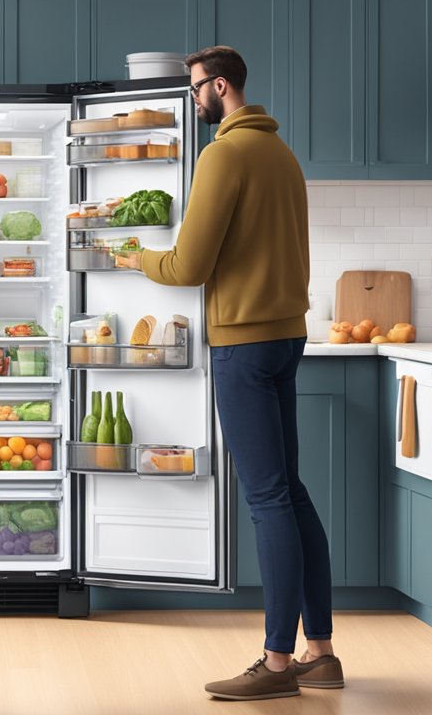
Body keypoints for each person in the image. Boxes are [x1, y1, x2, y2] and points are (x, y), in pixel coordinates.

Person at [117, 46, 342, 701]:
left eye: (194, 89)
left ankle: (276, 665)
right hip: (285, 336)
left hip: (243, 345)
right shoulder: (281, 155)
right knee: (291, 492)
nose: (192, 99)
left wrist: (137, 258)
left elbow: (188, 265)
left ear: (221, 87)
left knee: (267, 498)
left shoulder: (223, 154)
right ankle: (320, 652)